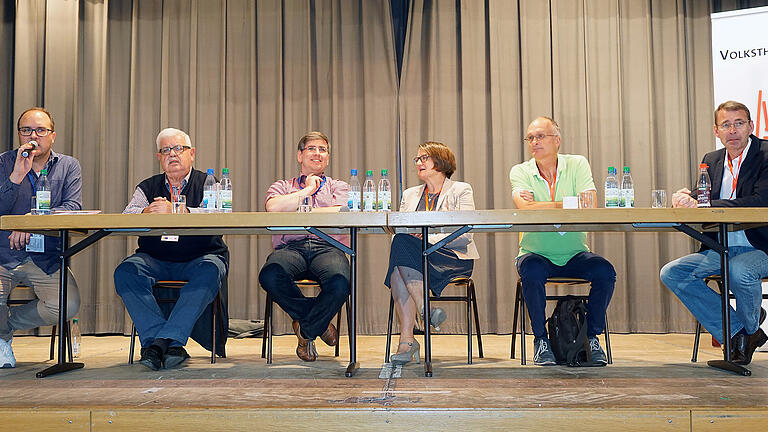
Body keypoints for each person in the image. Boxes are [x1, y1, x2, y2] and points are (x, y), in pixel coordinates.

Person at [661, 100, 768, 365]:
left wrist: (704, 203)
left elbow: (760, 200)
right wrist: (686, 197)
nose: (733, 130)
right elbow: (703, 195)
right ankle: (742, 332)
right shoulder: (711, 160)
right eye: (726, 125)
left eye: (739, 123)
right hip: (720, 248)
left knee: (740, 271)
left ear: (751, 126)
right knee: (672, 272)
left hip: (761, 247)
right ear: (716, 130)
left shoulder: (766, 154)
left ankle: (744, 333)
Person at [113, 128, 228, 371]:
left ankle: (161, 343)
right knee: (126, 272)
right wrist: (147, 212)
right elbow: (126, 216)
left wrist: (179, 211)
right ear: (158, 157)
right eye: (166, 150)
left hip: (200, 257)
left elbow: (219, 214)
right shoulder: (148, 187)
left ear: (192, 154)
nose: (172, 155)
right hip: (154, 258)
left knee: (211, 270)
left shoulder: (209, 182)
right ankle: (166, 341)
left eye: (179, 149)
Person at [509, 116, 615, 366]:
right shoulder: (520, 170)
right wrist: (568, 203)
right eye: (530, 138)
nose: (534, 142)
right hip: (536, 253)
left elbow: (589, 204)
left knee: (605, 271)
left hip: (575, 253)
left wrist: (540, 205)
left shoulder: (577, 164)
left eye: (540, 136)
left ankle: (590, 338)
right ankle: (541, 340)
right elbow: (524, 208)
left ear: (557, 140)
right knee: (532, 271)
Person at [0, 107, 82, 369]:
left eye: (40, 130)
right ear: (19, 135)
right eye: (26, 130)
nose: (33, 136)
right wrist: (16, 176)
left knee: (67, 305)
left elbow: (73, 207)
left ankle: (6, 324)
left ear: (52, 135)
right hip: (3, 255)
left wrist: (31, 222)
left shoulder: (68, 165)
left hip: (44, 256)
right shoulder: (3, 163)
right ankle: (2, 340)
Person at [258, 131, 350, 362]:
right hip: (291, 248)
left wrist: (296, 209)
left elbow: (343, 212)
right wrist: (306, 191)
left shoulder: (339, 186)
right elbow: (273, 208)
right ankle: (319, 322)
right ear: (300, 155)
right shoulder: (282, 186)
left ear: (328, 157)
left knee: (340, 283)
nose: (317, 153)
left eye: (323, 149)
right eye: (311, 148)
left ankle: (306, 329)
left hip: (328, 247)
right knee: (270, 276)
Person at [384, 141, 479, 365]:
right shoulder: (410, 194)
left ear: (441, 160)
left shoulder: (461, 190)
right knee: (400, 251)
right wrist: (415, 240)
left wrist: (427, 239)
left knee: (400, 261)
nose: (418, 162)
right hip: (417, 258)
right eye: (416, 159)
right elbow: (400, 232)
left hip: (452, 258)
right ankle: (424, 314)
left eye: (424, 157)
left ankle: (410, 338)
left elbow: (465, 235)